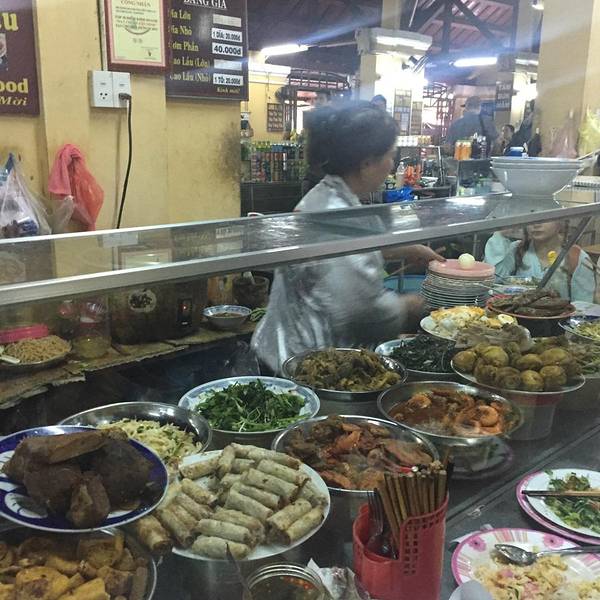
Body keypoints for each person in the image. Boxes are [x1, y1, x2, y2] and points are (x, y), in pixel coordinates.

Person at [252, 102, 444, 373]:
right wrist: (410, 306)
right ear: (366, 163)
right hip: (303, 364)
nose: (392, 165)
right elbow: (359, 312)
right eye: (390, 156)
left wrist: (404, 249)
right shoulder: (338, 215)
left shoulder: (328, 194)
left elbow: (335, 255)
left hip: (289, 348)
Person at [484, 222, 595, 302]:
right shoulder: (517, 250)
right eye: (533, 219)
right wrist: (501, 234)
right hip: (516, 318)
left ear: (560, 223)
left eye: (546, 218)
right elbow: (493, 280)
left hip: (559, 323)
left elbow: (583, 303)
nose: (536, 225)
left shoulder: (576, 257)